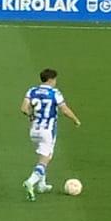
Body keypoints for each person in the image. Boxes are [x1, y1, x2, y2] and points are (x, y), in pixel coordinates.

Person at [20, 68, 80, 200]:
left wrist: (31, 115)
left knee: (47, 154)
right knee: (45, 160)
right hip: (47, 131)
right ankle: (31, 182)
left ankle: (42, 184)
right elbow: (64, 110)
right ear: (51, 79)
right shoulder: (54, 93)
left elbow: (24, 108)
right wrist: (75, 120)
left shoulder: (32, 91)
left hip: (34, 131)